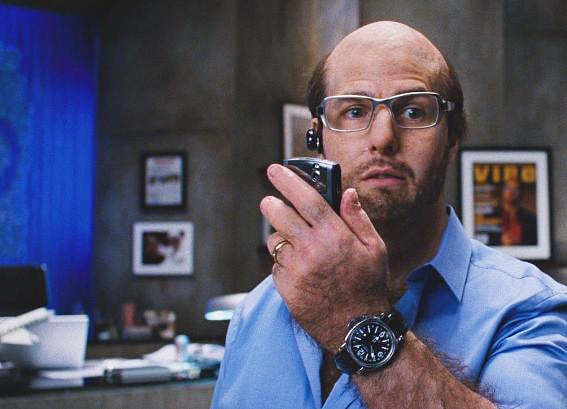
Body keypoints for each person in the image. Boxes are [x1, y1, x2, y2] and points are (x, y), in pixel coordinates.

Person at [211, 21, 566, 409]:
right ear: (318, 138)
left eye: (413, 111)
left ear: (453, 138)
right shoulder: (256, 312)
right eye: (354, 111)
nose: (383, 138)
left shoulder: (530, 310)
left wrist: (352, 313)